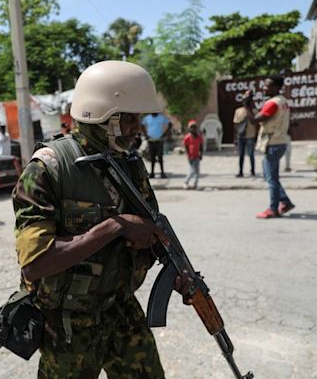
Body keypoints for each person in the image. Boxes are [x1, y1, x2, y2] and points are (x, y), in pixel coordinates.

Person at [12, 60, 185, 378]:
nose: (138, 128)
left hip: (121, 311)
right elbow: (35, 264)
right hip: (68, 323)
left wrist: (175, 267)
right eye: (129, 119)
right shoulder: (48, 169)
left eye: (139, 118)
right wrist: (113, 227)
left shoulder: (129, 163)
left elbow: (150, 226)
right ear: (101, 113)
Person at [244, 75, 295, 219]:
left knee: (271, 178)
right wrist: (250, 104)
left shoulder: (273, 103)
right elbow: (261, 115)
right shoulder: (282, 101)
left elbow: (254, 120)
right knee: (270, 175)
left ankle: (273, 209)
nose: (264, 88)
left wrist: (246, 105)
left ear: (277, 87)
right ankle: (285, 201)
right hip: (280, 142)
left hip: (273, 143)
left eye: (268, 86)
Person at [141, 112, 172, 178]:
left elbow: (170, 124)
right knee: (152, 157)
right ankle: (152, 173)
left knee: (160, 157)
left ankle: (162, 173)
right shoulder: (147, 118)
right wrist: (146, 135)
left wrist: (164, 134)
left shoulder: (161, 117)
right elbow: (142, 125)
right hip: (151, 140)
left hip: (159, 141)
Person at [233, 105, 257, 177]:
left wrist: (248, 110)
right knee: (241, 155)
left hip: (250, 135)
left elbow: (255, 121)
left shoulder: (254, 111)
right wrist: (235, 137)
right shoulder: (238, 111)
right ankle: (240, 171)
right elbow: (236, 124)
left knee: (251, 154)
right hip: (241, 135)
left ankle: (252, 171)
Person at [183, 120, 203, 189]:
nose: (193, 129)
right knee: (192, 171)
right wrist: (188, 156)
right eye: (192, 127)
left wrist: (201, 154)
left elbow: (201, 146)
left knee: (197, 171)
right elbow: (186, 147)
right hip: (191, 156)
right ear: (189, 128)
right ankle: (186, 182)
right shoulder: (187, 137)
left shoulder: (199, 137)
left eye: (194, 127)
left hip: (197, 156)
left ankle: (195, 184)